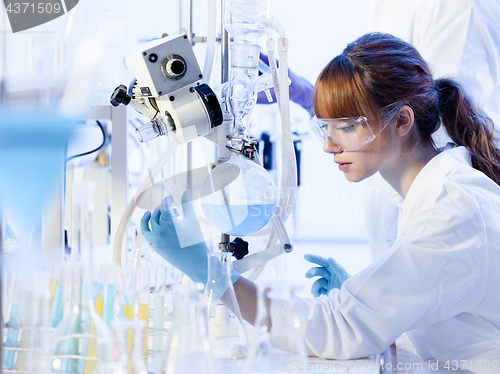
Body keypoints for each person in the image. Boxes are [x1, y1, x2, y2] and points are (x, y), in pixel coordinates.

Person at [140, 33, 500, 370]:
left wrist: (209, 272)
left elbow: (339, 329)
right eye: (325, 127)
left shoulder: (452, 209)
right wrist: (369, 298)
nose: (329, 145)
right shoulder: (434, 192)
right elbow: (441, 319)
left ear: (402, 120)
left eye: (345, 126)